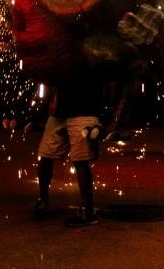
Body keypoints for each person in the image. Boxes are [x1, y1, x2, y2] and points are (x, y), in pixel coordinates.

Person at [33, 81, 102, 227]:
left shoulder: (88, 60)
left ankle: (88, 211)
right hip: (59, 113)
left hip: (83, 111)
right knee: (45, 155)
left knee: (80, 161)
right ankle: (42, 200)